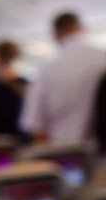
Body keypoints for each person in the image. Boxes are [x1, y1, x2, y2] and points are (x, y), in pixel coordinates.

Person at [20, 12, 106, 144]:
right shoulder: (103, 58)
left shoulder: (46, 71)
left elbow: (35, 127)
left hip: (65, 156)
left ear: (56, 36)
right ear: (82, 29)